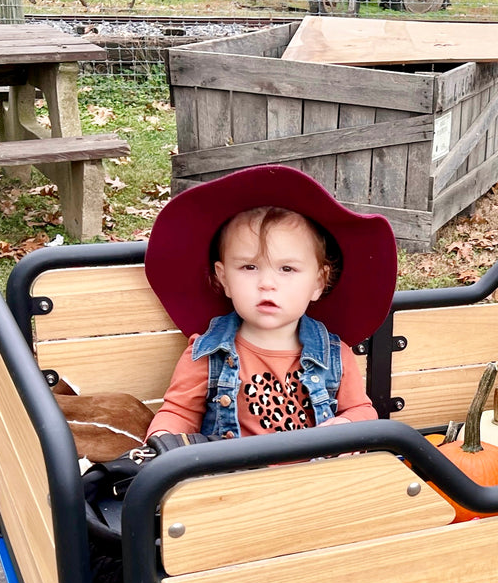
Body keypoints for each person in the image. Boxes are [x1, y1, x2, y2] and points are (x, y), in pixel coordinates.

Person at [141, 164, 398, 444]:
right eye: (249, 267)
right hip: (235, 480)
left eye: (287, 269)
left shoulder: (334, 355)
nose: (267, 283)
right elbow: (179, 412)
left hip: (316, 478)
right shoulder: (208, 352)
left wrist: (347, 423)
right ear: (223, 278)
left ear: (318, 282)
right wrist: (162, 440)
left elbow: (361, 409)